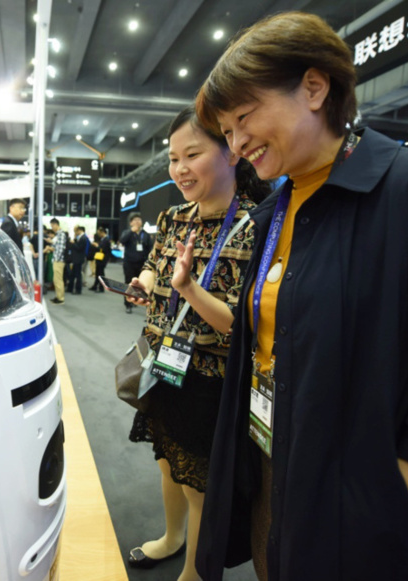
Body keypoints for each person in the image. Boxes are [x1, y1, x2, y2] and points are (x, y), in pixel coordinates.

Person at [194, 12, 408, 581]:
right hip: (277, 479)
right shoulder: (270, 215)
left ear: (314, 87)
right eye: (226, 132)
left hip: (372, 517)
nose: (234, 146)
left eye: (242, 118)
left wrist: (385, 510)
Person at [125, 105, 269, 581]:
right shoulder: (173, 217)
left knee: (200, 485)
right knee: (167, 463)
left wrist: (189, 288)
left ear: (231, 153)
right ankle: (173, 538)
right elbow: (153, 260)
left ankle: (196, 569)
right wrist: (146, 280)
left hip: (210, 378)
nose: (179, 169)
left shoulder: (254, 225)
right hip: (161, 362)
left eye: (192, 154)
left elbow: (238, 323)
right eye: (173, 158)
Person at [119, 213, 153, 313]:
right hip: (129, 263)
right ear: (131, 223)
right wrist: (131, 232)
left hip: (141, 263)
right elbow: (122, 241)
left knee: (140, 284)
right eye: (135, 220)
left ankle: (136, 300)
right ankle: (128, 304)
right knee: (129, 283)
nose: (137, 221)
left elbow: (150, 248)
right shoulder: (127, 233)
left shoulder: (145, 234)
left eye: (139, 219)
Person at [45, 218, 68, 305]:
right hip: (57, 260)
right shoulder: (59, 234)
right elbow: (57, 246)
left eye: (52, 226)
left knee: (58, 280)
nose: (52, 228)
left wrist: (57, 259)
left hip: (59, 260)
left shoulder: (61, 234)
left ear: (55, 224)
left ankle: (60, 298)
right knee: (56, 279)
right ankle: (58, 296)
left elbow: (61, 248)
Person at [67, 225, 90, 295]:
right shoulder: (80, 237)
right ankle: (70, 288)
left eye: (75, 231)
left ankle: (78, 290)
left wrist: (73, 243)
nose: (75, 233)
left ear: (79, 230)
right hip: (76, 259)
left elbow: (80, 248)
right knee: (73, 274)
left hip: (78, 259)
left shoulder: (84, 238)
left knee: (78, 275)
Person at [89, 227, 111, 292]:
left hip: (102, 259)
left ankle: (101, 288)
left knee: (101, 273)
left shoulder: (106, 240)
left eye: (99, 233)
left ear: (102, 232)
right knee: (98, 273)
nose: (98, 234)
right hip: (100, 258)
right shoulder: (103, 239)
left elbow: (103, 249)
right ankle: (95, 286)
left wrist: (97, 246)